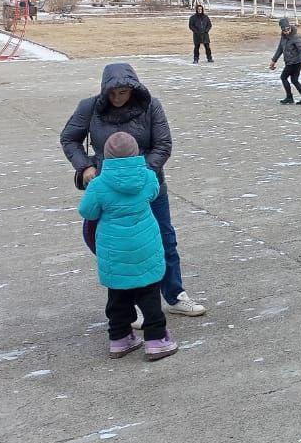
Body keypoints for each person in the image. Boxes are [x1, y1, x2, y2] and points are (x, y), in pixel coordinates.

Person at [60, 63, 207, 317]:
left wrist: (145, 175)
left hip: (150, 185)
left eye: (123, 93)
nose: (117, 98)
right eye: (112, 93)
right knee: (109, 242)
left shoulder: (151, 106)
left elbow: (163, 144)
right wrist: (84, 167)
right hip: (108, 188)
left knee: (163, 237)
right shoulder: (89, 107)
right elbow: (69, 138)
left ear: (133, 89)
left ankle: (174, 294)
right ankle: (132, 302)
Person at [77, 132, 177, 361]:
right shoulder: (148, 177)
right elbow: (153, 195)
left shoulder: (99, 184)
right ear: (136, 152)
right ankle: (156, 340)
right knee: (149, 294)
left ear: (106, 155)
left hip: (114, 248)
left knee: (118, 295)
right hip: (145, 244)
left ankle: (120, 338)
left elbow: (87, 211)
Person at [270, 18, 301, 105]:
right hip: (289, 62)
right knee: (294, 80)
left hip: (296, 62)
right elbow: (280, 49)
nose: (286, 32)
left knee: (283, 77)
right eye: (284, 30)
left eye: (288, 29)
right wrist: (274, 60)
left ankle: (289, 97)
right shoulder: (283, 37)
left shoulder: (295, 37)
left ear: (290, 27)